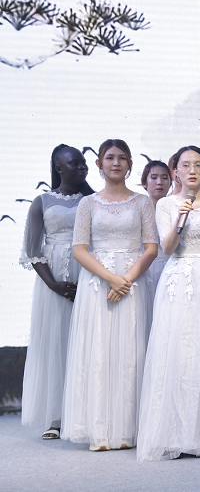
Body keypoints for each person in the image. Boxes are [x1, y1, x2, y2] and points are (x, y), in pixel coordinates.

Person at [137, 145, 200, 460]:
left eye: (198, 165)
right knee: (179, 350)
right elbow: (168, 248)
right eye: (185, 165)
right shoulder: (166, 204)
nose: (192, 170)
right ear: (176, 172)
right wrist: (181, 217)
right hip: (179, 278)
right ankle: (174, 433)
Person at [61, 139, 158, 451]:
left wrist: (125, 280)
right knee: (99, 351)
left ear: (130, 164)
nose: (116, 163)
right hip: (98, 283)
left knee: (131, 351)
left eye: (122, 158)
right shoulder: (88, 204)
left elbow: (151, 248)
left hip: (133, 283)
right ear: (100, 163)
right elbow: (79, 249)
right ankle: (99, 430)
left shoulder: (142, 202)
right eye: (110, 158)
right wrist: (111, 278)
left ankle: (129, 430)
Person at [20, 145, 92, 441]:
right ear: (58, 167)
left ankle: (85, 412)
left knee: (86, 342)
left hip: (87, 274)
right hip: (53, 282)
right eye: (74, 163)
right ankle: (56, 417)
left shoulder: (92, 200)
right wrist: (53, 284)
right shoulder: (42, 201)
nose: (82, 167)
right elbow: (32, 250)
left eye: (84, 162)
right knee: (56, 345)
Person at [141, 160, 173, 341]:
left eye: (164, 178)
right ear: (144, 183)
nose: (159, 182)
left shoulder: (177, 209)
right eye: (154, 178)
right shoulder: (137, 209)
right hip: (142, 271)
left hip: (170, 270)